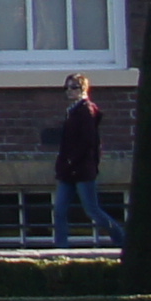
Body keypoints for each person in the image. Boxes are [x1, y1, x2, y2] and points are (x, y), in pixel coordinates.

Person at [49, 74, 121, 245]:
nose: (69, 91)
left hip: (82, 170)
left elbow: (88, 142)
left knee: (92, 210)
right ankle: (61, 248)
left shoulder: (86, 111)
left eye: (73, 87)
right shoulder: (72, 111)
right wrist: (63, 164)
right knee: (59, 210)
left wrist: (72, 161)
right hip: (67, 171)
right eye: (67, 88)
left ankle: (122, 239)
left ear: (83, 89)